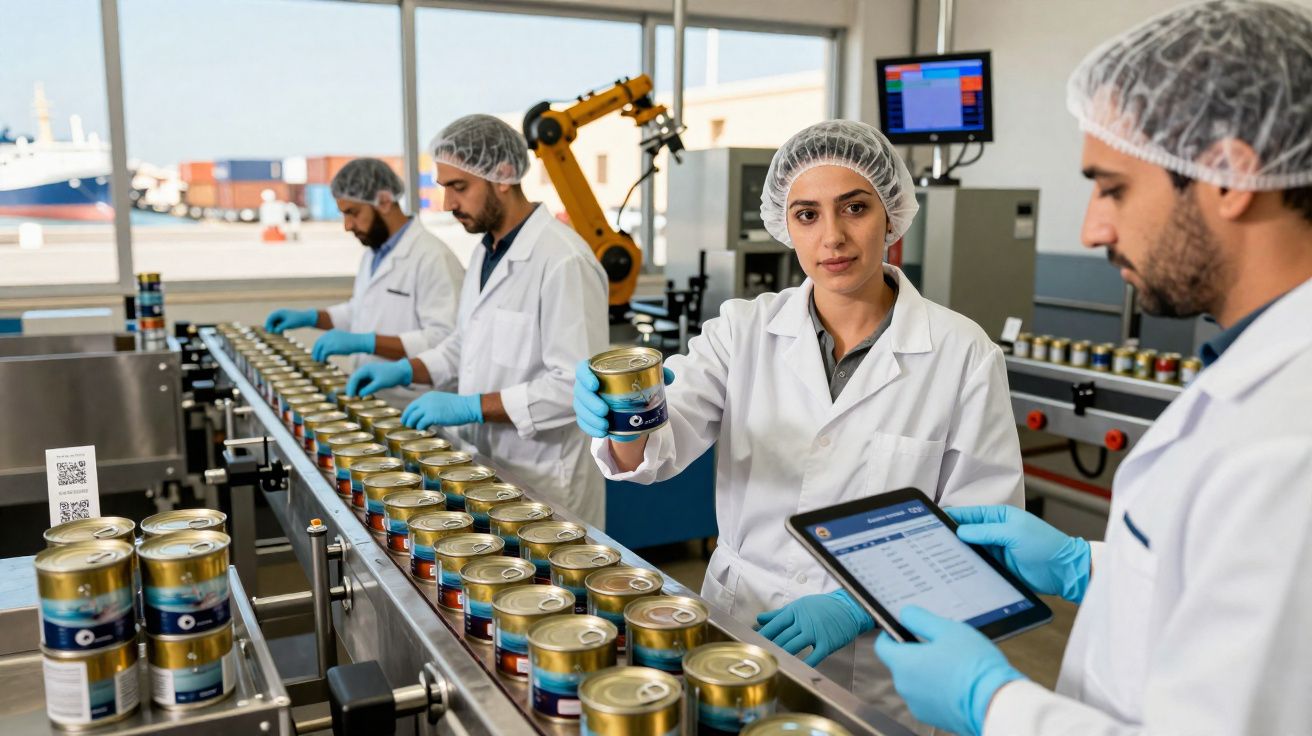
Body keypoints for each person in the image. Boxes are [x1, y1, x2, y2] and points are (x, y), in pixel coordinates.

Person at [873, 3, 1312, 735]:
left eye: (1112, 188)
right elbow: (1219, 590)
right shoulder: (1257, 374)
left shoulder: (1288, 445)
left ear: (1232, 175)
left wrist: (994, 703)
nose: (1090, 229)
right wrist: (1089, 565)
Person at [574, 119, 1024, 728]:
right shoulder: (742, 330)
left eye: (855, 208)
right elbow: (655, 451)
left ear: (891, 214)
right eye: (807, 214)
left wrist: (858, 605)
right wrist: (623, 422)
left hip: (884, 655)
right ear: (785, 225)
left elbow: (983, 528)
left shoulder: (962, 353)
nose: (832, 237)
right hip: (742, 627)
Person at [346, 115, 610, 527]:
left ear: (502, 175)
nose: (448, 204)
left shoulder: (563, 261)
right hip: (489, 468)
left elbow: (574, 387)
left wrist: (471, 407)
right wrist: (406, 369)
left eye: (459, 187)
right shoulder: (486, 252)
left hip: (547, 479)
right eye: (444, 188)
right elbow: (463, 345)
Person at [264, 157, 464, 405]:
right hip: (375, 395)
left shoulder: (433, 257)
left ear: (384, 201)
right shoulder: (375, 252)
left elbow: (444, 340)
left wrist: (367, 343)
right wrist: (312, 317)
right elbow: (360, 311)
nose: (347, 226)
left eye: (353, 213)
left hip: (415, 402)